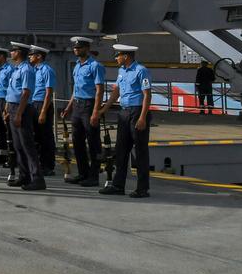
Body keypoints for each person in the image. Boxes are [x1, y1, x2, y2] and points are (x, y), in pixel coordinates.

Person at [99, 44, 153, 198]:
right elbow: (116, 92)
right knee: (121, 150)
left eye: (118, 55)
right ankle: (118, 186)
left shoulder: (141, 71)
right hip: (124, 112)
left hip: (137, 112)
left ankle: (142, 189)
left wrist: (143, 117)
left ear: (126, 56)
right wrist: (105, 108)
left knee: (140, 152)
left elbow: (147, 95)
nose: (116, 58)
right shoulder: (121, 71)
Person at [60, 37, 104, 187]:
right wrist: (69, 107)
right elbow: (76, 89)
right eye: (75, 48)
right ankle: (83, 173)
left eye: (79, 48)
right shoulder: (77, 66)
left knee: (93, 142)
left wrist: (95, 112)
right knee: (77, 142)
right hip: (77, 106)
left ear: (87, 48)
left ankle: (94, 176)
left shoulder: (95, 66)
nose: (76, 50)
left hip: (89, 105)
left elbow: (99, 91)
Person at [5, 42, 45, 190]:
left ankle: (38, 178)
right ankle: (24, 176)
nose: (11, 52)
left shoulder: (26, 69)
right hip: (13, 108)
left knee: (27, 145)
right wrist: (8, 108)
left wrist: (19, 114)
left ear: (19, 52)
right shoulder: (17, 69)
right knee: (18, 146)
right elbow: (13, 91)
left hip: (22, 109)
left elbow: (26, 93)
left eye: (13, 51)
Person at [29, 45, 57, 175]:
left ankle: (48, 166)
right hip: (33, 104)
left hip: (42, 104)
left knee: (45, 136)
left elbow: (48, 93)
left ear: (39, 56)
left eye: (32, 55)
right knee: (36, 136)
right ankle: (39, 163)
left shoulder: (47, 70)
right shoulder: (33, 70)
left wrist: (43, 112)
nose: (29, 57)